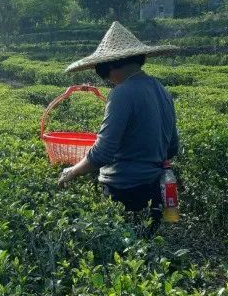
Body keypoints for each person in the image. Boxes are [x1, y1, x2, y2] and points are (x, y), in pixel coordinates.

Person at [57, 22, 180, 232]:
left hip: (124, 190)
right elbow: (172, 147)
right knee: (149, 252)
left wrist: (72, 172)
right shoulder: (161, 89)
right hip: (154, 187)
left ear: (111, 65)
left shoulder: (122, 93)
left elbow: (103, 152)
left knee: (122, 254)